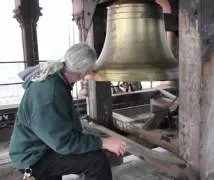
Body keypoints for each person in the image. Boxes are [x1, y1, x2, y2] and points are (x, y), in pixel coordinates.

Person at [9, 43, 126, 180]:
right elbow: (63, 143)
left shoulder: (57, 78)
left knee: (92, 153)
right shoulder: (50, 95)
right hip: (34, 157)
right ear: (83, 71)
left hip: (45, 145)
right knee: (96, 161)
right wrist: (103, 142)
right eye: (91, 69)